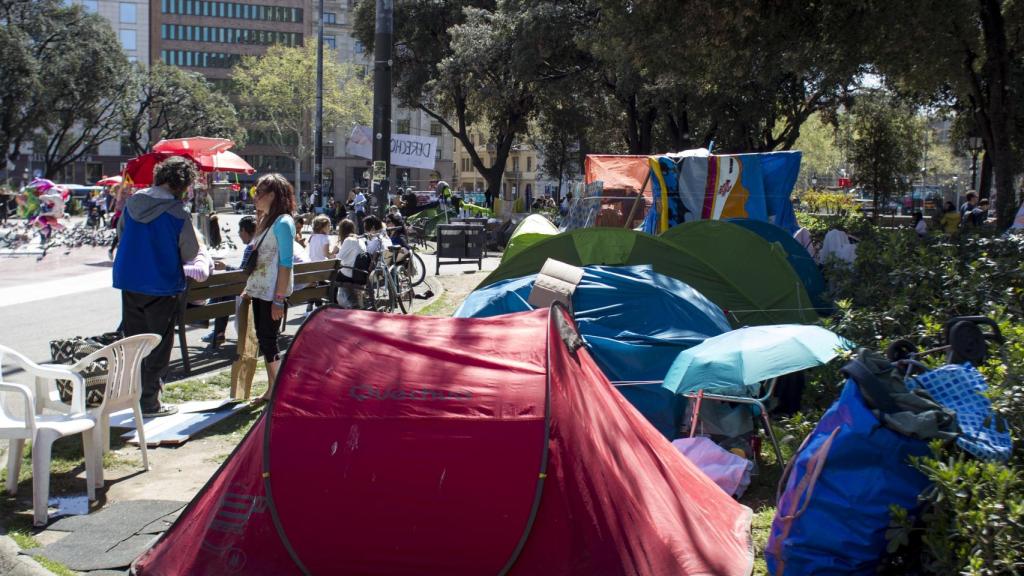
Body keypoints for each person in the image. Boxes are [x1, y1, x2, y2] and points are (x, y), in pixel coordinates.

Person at [113, 156, 201, 417]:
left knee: (135, 341)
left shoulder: (132, 203)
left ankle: (131, 395)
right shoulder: (177, 213)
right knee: (158, 345)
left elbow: (121, 233)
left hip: (129, 279)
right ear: (181, 185)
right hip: (161, 284)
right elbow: (190, 252)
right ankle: (150, 403)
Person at [245, 173, 297, 401]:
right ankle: (273, 387)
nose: (255, 197)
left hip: (272, 292)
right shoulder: (267, 220)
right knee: (265, 338)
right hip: (261, 289)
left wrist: (278, 299)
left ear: (273, 195)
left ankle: (278, 388)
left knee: (268, 338)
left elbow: (286, 263)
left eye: (259, 193)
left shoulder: (283, 222)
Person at [202, 216, 257, 347]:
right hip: (257, 287)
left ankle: (210, 324)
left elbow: (243, 274)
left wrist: (226, 267)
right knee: (224, 290)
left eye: (239, 230)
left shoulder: (251, 247)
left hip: (249, 290)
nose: (238, 234)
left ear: (244, 230)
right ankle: (216, 331)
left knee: (223, 290)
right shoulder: (260, 243)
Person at [332, 218, 366, 308]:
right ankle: (350, 303)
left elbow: (338, 259)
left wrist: (333, 252)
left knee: (331, 276)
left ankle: (334, 304)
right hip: (360, 273)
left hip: (351, 274)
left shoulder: (348, 240)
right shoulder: (360, 239)